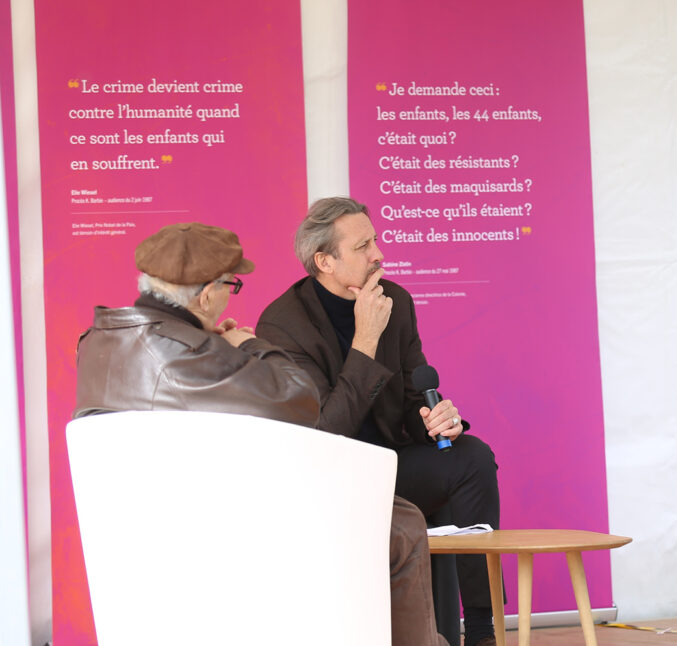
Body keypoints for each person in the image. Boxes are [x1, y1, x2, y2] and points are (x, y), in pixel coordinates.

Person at [74, 222, 448, 646]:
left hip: (143, 530)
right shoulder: (197, 355)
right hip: (229, 526)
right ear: (205, 295)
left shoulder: (98, 341)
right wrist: (245, 342)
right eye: (230, 286)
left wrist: (204, 336)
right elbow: (303, 402)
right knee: (399, 523)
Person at [257, 197, 502, 646]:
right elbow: (326, 431)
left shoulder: (396, 301)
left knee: (473, 458)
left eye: (376, 240)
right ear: (325, 261)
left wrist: (435, 418)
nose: (378, 254)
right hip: (329, 476)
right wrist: (365, 338)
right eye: (363, 245)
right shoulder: (283, 326)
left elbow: (412, 395)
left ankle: (484, 629)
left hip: (390, 464)